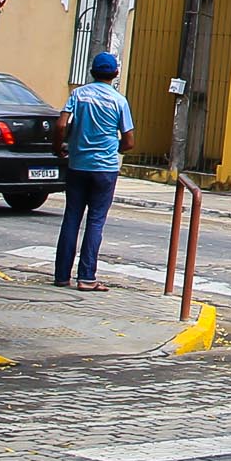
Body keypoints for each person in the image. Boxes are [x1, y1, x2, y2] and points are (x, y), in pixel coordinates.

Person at [53, 51, 135, 291]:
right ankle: (87, 277)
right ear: (115, 74)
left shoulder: (78, 95)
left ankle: (61, 276)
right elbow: (129, 141)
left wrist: (59, 148)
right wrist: (114, 147)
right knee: (95, 221)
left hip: (78, 164)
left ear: (92, 72)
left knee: (71, 218)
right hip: (105, 168)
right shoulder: (119, 101)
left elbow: (61, 124)